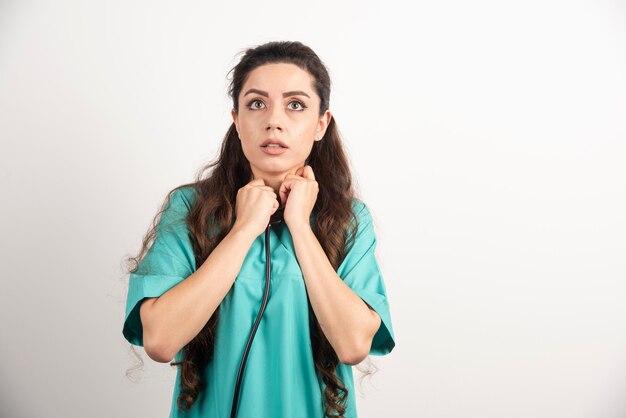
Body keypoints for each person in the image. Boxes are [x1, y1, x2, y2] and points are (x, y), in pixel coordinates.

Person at [122, 40, 395, 418]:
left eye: (295, 105)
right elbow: (160, 340)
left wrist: (300, 227)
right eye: (256, 103)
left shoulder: (349, 220)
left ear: (321, 124)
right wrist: (244, 230)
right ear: (236, 120)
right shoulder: (189, 210)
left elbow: (353, 345)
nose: (274, 120)